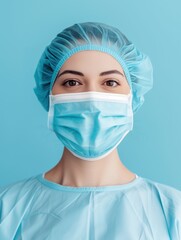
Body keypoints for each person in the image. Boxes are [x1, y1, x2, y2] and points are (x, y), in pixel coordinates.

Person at [0, 22, 181, 239]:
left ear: (132, 97)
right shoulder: (8, 208)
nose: (92, 99)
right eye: (72, 82)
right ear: (50, 96)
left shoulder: (171, 212)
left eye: (111, 82)